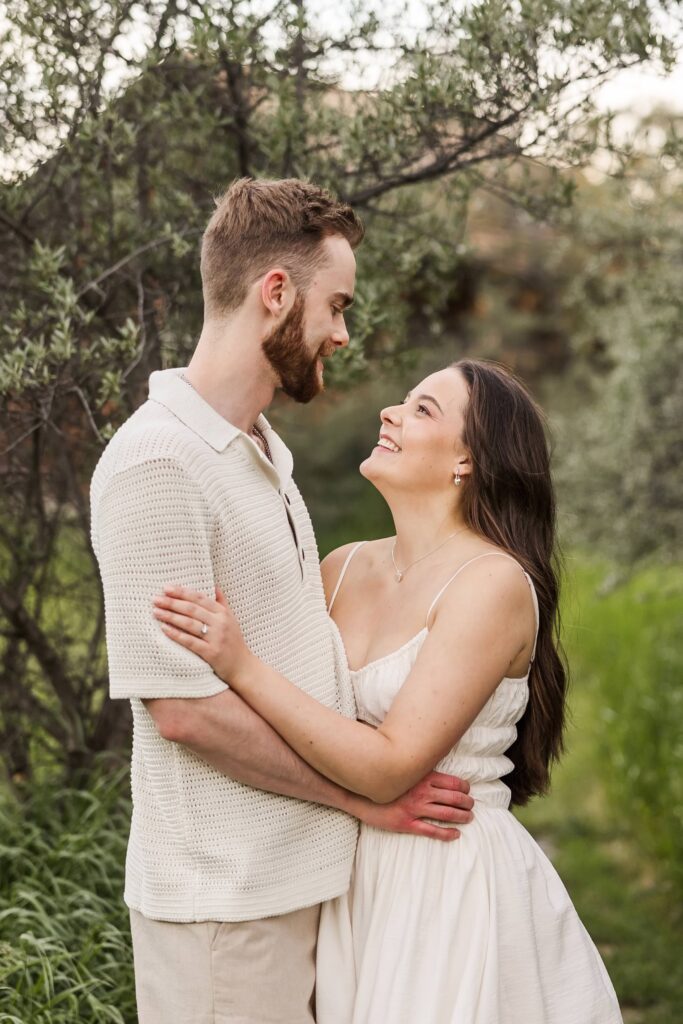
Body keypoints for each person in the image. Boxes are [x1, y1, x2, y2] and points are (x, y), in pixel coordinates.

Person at [90, 177, 474, 1024]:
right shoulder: (160, 462)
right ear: (275, 294)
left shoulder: (256, 451)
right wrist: (362, 798)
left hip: (292, 885)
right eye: (334, 305)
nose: (340, 331)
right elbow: (184, 713)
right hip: (226, 904)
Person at [154, 359, 624, 1023]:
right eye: (401, 402)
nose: (389, 414)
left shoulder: (491, 584)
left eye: (422, 409)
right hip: (343, 874)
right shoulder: (340, 569)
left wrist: (241, 664)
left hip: (443, 877)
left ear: (467, 460)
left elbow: (388, 767)